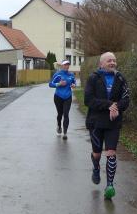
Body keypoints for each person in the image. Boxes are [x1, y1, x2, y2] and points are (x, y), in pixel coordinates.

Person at [84, 52, 130, 200]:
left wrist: (116, 107)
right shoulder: (93, 78)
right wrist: (109, 105)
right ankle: (96, 167)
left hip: (113, 123)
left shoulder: (120, 78)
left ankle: (110, 185)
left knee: (111, 152)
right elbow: (88, 100)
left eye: (114, 60)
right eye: (109, 60)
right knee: (97, 153)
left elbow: (126, 99)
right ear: (101, 63)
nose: (113, 63)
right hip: (96, 122)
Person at [49, 59, 76, 139]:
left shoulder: (71, 74)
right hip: (58, 97)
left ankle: (65, 132)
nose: (67, 66)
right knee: (60, 114)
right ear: (62, 66)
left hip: (68, 96)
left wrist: (74, 85)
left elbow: (74, 82)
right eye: (65, 65)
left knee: (66, 114)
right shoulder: (57, 74)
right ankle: (59, 126)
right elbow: (50, 84)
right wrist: (59, 84)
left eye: (68, 65)